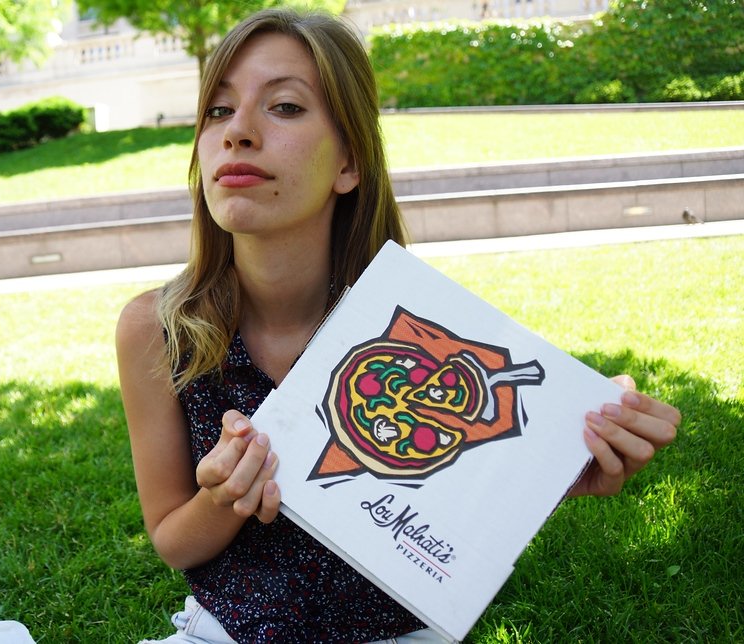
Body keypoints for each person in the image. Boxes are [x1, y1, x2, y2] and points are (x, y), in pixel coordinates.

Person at [115, 8, 681, 643]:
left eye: (285, 107)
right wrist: (222, 498)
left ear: (349, 162)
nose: (238, 132)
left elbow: (445, 477)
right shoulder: (156, 330)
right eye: (218, 110)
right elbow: (172, 541)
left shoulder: (414, 330)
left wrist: (548, 470)